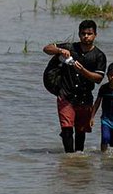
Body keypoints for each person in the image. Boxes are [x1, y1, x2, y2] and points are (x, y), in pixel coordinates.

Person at [43, 20, 107, 153]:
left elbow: (99, 79)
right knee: (66, 129)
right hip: (66, 95)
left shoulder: (99, 56)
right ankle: (69, 158)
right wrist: (60, 50)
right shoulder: (70, 48)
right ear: (79, 34)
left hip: (85, 97)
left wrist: (83, 71)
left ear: (95, 35)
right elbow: (46, 48)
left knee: (80, 131)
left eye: (89, 34)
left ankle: (78, 158)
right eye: (83, 33)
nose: (86, 36)